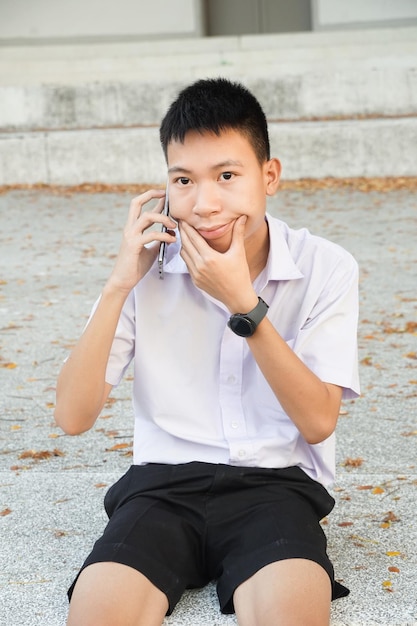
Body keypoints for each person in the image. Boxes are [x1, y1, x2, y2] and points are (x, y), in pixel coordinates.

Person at [55, 77, 360, 626]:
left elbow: (318, 421)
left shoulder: (325, 267)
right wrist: (119, 283)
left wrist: (244, 303)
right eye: (183, 180)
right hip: (160, 487)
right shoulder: (149, 266)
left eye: (226, 175)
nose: (205, 202)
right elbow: (73, 417)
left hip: (275, 487)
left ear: (269, 177)